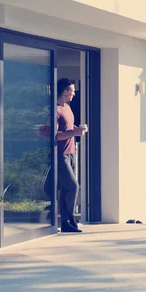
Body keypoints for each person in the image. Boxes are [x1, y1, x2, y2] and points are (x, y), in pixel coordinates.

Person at [56, 78, 87, 233]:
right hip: (60, 155)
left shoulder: (67, 107)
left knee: (66, 189)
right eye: (72, 91)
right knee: (73, 186)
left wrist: (77, 129)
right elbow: (54, 135)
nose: (74, 94)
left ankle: (66, 223)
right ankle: (69, 220)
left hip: (72, 152)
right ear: (65, 91)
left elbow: (68, 128)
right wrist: (74, 132)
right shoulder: (55, 110)